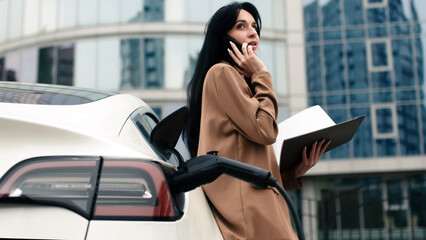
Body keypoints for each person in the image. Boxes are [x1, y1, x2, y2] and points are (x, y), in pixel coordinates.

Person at [183, 2, 330, 239]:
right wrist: (262, 73)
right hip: (251, 216)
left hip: (259, 210)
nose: (253, 32)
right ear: (223, 38)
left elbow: (245, 155)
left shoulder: (240, 84)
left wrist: (294, 172)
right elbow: (265, 131)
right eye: (241, 26)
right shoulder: (222, 73)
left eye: (254, 27)